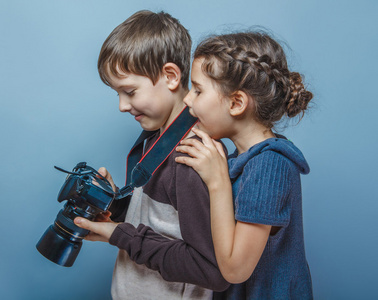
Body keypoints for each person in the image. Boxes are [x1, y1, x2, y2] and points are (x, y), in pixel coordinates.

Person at [73, 10, 230, 300]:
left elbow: (210, 269)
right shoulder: (157, 137)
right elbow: (162, 222)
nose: (122, 105)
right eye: (117, 93)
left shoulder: (191, 154)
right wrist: (115, 208)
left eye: (129, 91)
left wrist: (117, 234)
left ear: (170, 76)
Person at [175, 31, 314, 299]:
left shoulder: (270, 166)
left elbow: (235, 270)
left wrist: (217, 183)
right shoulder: (239, 160)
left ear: (236, 103)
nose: (187, 99)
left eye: (198, 90)